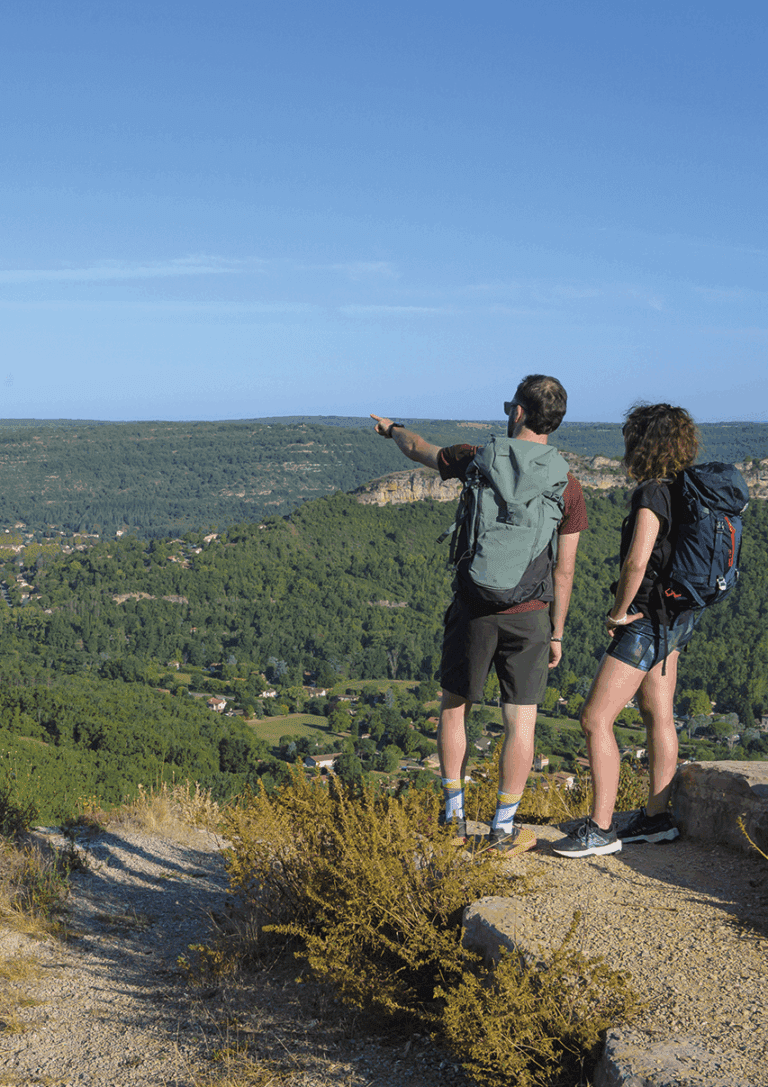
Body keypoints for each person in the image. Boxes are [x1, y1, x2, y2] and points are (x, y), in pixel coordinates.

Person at [372, 375, 587, 855]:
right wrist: (556, 632)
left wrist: (393, 429)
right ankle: (503, 827)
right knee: (521, 722)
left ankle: (452, 817)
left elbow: (419, 449)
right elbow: (566, 571)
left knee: (454, 708)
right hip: (530, 612)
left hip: (472, 607)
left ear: (518, 413)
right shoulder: (567, 487)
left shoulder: (475, 457)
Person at [553, 403, 700, 859]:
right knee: (659, 712)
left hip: (644, 620)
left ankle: (599, 828)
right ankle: (656, 819)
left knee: (595, 719)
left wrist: (618, 613)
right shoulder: (687, 489)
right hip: (677, 616)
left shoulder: (652, 493)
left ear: (644, 444)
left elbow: (638, 560)